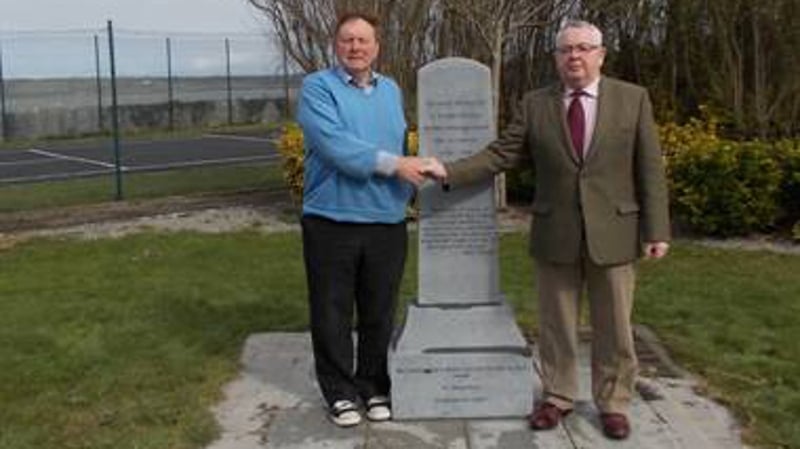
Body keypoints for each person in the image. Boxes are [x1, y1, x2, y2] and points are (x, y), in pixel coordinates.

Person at [423, 20, 670, 440]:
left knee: (615, 326)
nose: (574, 56)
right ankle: (558, 396)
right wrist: (448, 170)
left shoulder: (632, 99)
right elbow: (503, 153)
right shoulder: (536, 104)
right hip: (556, 231)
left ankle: (613, 402)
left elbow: (649, 167)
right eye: (565, 50)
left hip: (615, 232)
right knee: (557, 323)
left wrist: (656, 229)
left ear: (601, 54)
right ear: (556, 57)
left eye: (583, 48)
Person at [296, 12, 430, 428]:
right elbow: (337, 146)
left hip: (385, 221)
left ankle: (373, 386)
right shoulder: (317, 87)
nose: (355, 47)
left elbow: (393, 139)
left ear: (377, 47)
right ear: (336, 45)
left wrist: (404, 189)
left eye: (363, 40)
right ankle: (339, 392)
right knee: (332, 310)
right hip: (331, 219)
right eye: (347, 40)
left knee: (378, 311)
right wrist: (397, 168)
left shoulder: (390, 89)